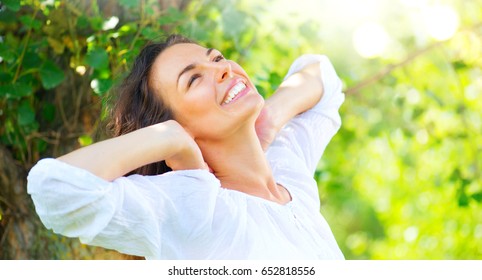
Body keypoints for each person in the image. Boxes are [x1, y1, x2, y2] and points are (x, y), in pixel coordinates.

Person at [27, 34, 345, 260]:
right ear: (176, 123)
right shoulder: (194, 206)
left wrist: (270, 117)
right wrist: (170, 138)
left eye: (216, 58)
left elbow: (322, 77)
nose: (224, 69)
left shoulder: (286, 169)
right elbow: (54, 188)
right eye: (193, 80)